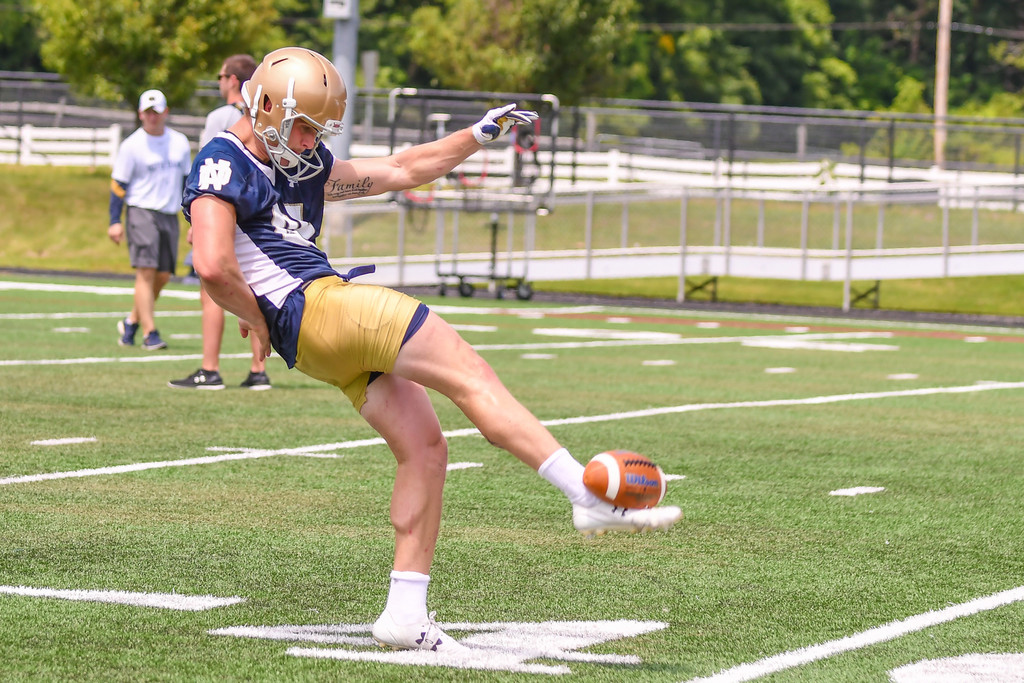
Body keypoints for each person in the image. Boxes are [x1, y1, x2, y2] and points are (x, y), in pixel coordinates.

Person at [183, 47, 682, 653]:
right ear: (264, 104)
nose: (312, 141)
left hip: (316, 332)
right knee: (471, 373)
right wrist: (256, 318)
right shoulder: (222, 158)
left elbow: (399, 169)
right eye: (304, 126)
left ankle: (405, 611)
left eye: (320, 129)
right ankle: (585, 494)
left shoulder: (300, 162)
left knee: (424, 448)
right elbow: (210, 263)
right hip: (317, 308)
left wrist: (476, 134)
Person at [169, 54, 271, 390]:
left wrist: (196, 223)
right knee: (258, 287)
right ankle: (259, 370)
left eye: (220, 75)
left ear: (232, 80)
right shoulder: (269, 117)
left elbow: (211, 173)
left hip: (226, 214)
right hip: (260, 216)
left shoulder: (220, 118)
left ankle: (210, 368)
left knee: (211, 290)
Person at [108, 89, 192, 351]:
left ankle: (131, 321)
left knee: (163, 275)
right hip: (141, 211)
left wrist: (192, 218)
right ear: (140, 114)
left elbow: (187, 182)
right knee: (146, 271)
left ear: (166, 113)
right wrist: (115, 220)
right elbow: (119, 185)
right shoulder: (131, 145)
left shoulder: (179, 142)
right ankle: (150, 333)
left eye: (157, 112)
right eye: (147, 112)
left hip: (168, 213)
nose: (152, 117)